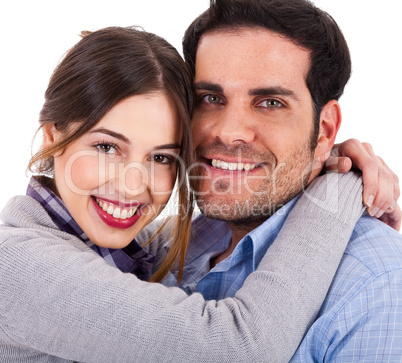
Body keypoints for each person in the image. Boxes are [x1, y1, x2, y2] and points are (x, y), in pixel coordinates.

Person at [0, 25, 397, 363]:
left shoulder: (138, 250)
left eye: (161, 157)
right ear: (53, 135)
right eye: (106, 147)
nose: (132, 184)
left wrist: (327, 158)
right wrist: (342, 187)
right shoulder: (13, 263)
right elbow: (237, 347)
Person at [141, 0, 401, 361]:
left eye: (270, 103)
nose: (229, 133)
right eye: (211, 98)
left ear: (324, 130)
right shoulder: (166, 247)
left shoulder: (377, 284)